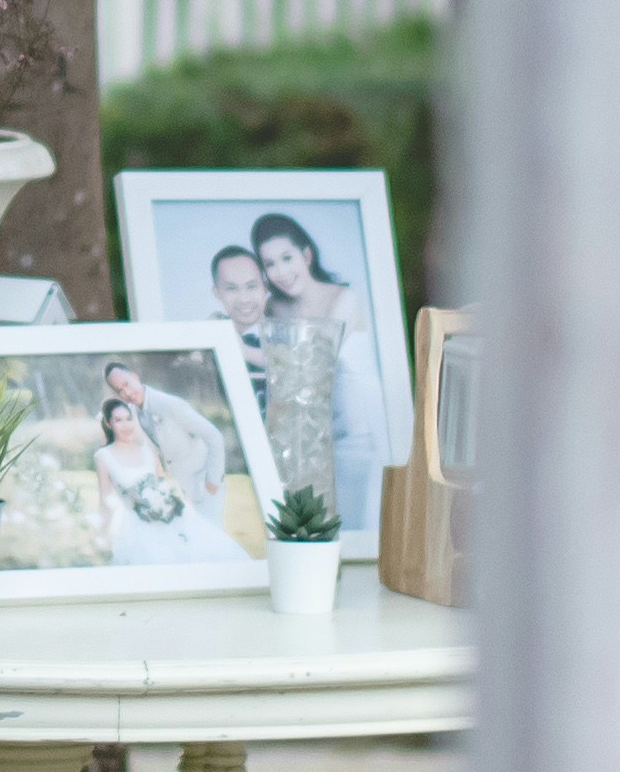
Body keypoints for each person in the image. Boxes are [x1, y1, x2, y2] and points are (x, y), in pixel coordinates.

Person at [252, 212, 397, 528]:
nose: (281, 272)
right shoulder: (275, 307)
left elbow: (312, 363)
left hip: (354, 427)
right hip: (306, 430)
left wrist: (244, 350)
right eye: (270, 264)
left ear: (306, 255)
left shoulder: (344, 297)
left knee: (355, 517)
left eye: (287, 258)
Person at [89, 366, 243, 567]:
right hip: (172, 496)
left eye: (126, 384)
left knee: (208, 547)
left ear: (136, 376)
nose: (126, 393)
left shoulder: (169, 404)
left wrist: (214, 479)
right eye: (119, 390)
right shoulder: (135, 413)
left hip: (203, 485)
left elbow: (213, 436)